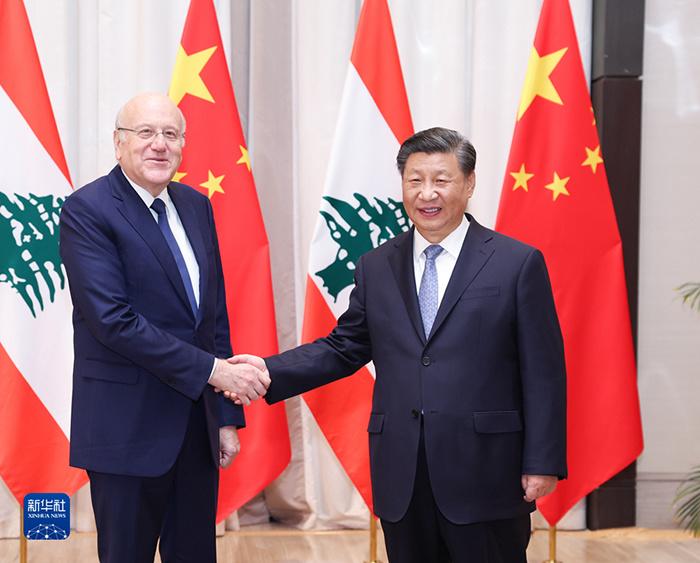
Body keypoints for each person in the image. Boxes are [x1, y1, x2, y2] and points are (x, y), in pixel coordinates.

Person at [230, 127, 567, 562]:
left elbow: (543, 372)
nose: (427, 193)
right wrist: (267, 370)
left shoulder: (516, 263)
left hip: (486, 472)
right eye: (415, 180)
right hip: (403, 474)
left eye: (441, 180)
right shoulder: (377, 265)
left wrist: (542, 461)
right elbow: (343, 347)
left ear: (469, 183)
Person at [59, 92, 270, 563]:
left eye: (171, 134)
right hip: (124, 431)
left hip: (196, 430)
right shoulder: (88, 209)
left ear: (182, 146)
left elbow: (211, 317)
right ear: (118, 143)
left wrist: (225, 418)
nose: (159, 144)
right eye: (146, 133)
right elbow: (113, 320)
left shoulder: (196, 206)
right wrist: (215, 372)